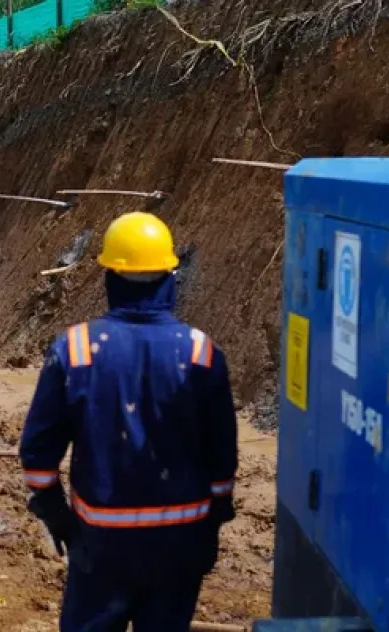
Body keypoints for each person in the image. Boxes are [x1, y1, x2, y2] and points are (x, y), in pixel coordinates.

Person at [19, 212, 238, 632]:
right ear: (171, 279)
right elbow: (222, 455)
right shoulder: (201, 353)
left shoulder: (76, 348)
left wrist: (57, 515)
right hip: (181, 540)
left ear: (109, 279)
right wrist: (215, 518)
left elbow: (37, 456)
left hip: (102, 544)